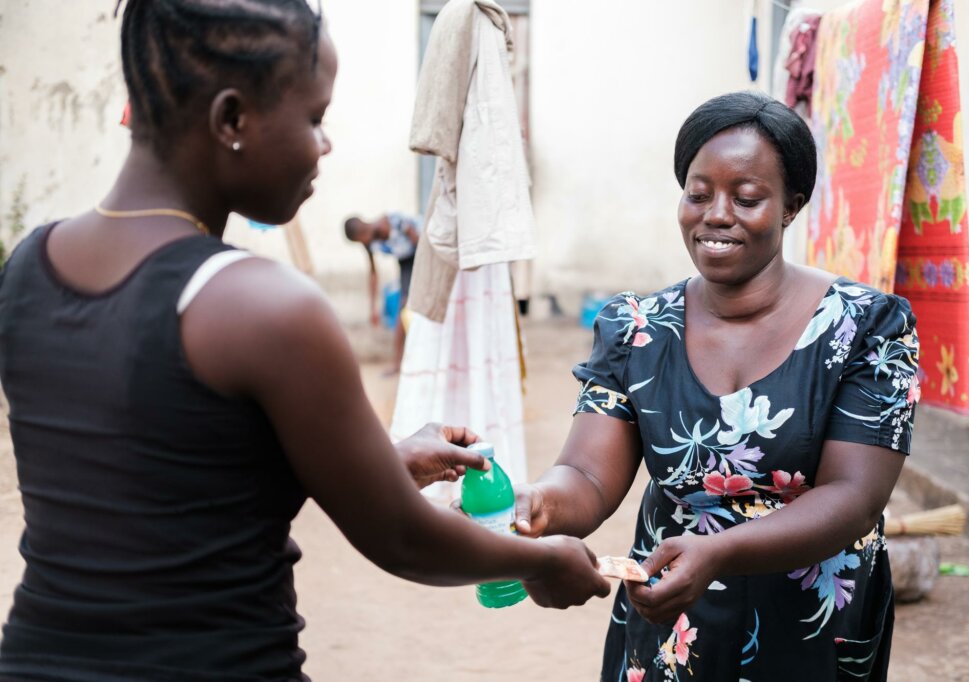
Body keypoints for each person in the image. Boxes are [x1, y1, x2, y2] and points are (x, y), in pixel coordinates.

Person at [0, 2, 609, 680]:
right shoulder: (264, 306)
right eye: (314, 118)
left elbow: (165, 464)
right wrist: (540, 559)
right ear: (232, 120)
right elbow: (402, 538)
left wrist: (379, 457)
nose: (325, 146)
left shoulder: (29, 264)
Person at [511, 92, 920, 681]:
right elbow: (588, 475)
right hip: (675, 612)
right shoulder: (636, 329)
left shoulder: (867, 327)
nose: (716, 214)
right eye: (698, 194)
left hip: (811, 622)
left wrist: (721, 550)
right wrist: (541, 504)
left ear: (791, 206)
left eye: (747, 198)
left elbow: (854, 497)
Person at [343, 212, 420, 371]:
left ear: (363, 231)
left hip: (420, 255)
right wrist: (373, 307)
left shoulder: (392, 222)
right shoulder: (369, 243)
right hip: (405, 262)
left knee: (411, 304)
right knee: (402, 309)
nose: (363, 242)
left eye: (361, 238)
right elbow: (373, 273)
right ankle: (398, 364)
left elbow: (419, 243)